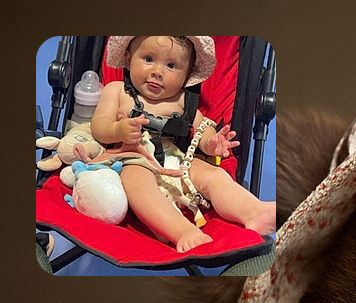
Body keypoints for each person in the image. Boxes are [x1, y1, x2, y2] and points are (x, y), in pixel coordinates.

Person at [90, 35, 276, 252]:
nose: (158, 72)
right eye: (148, 59)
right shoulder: (117, 90)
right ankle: (182, 231)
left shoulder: (182, 100)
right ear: (129, 57)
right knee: (136, 180)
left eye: (171, 65)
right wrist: (117, 130)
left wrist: (211, 143)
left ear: (187, 75)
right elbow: (98, 126)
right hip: (133, 156)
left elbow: (203, 130)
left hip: (177, 160)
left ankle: (253, 211)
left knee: (214, 175)